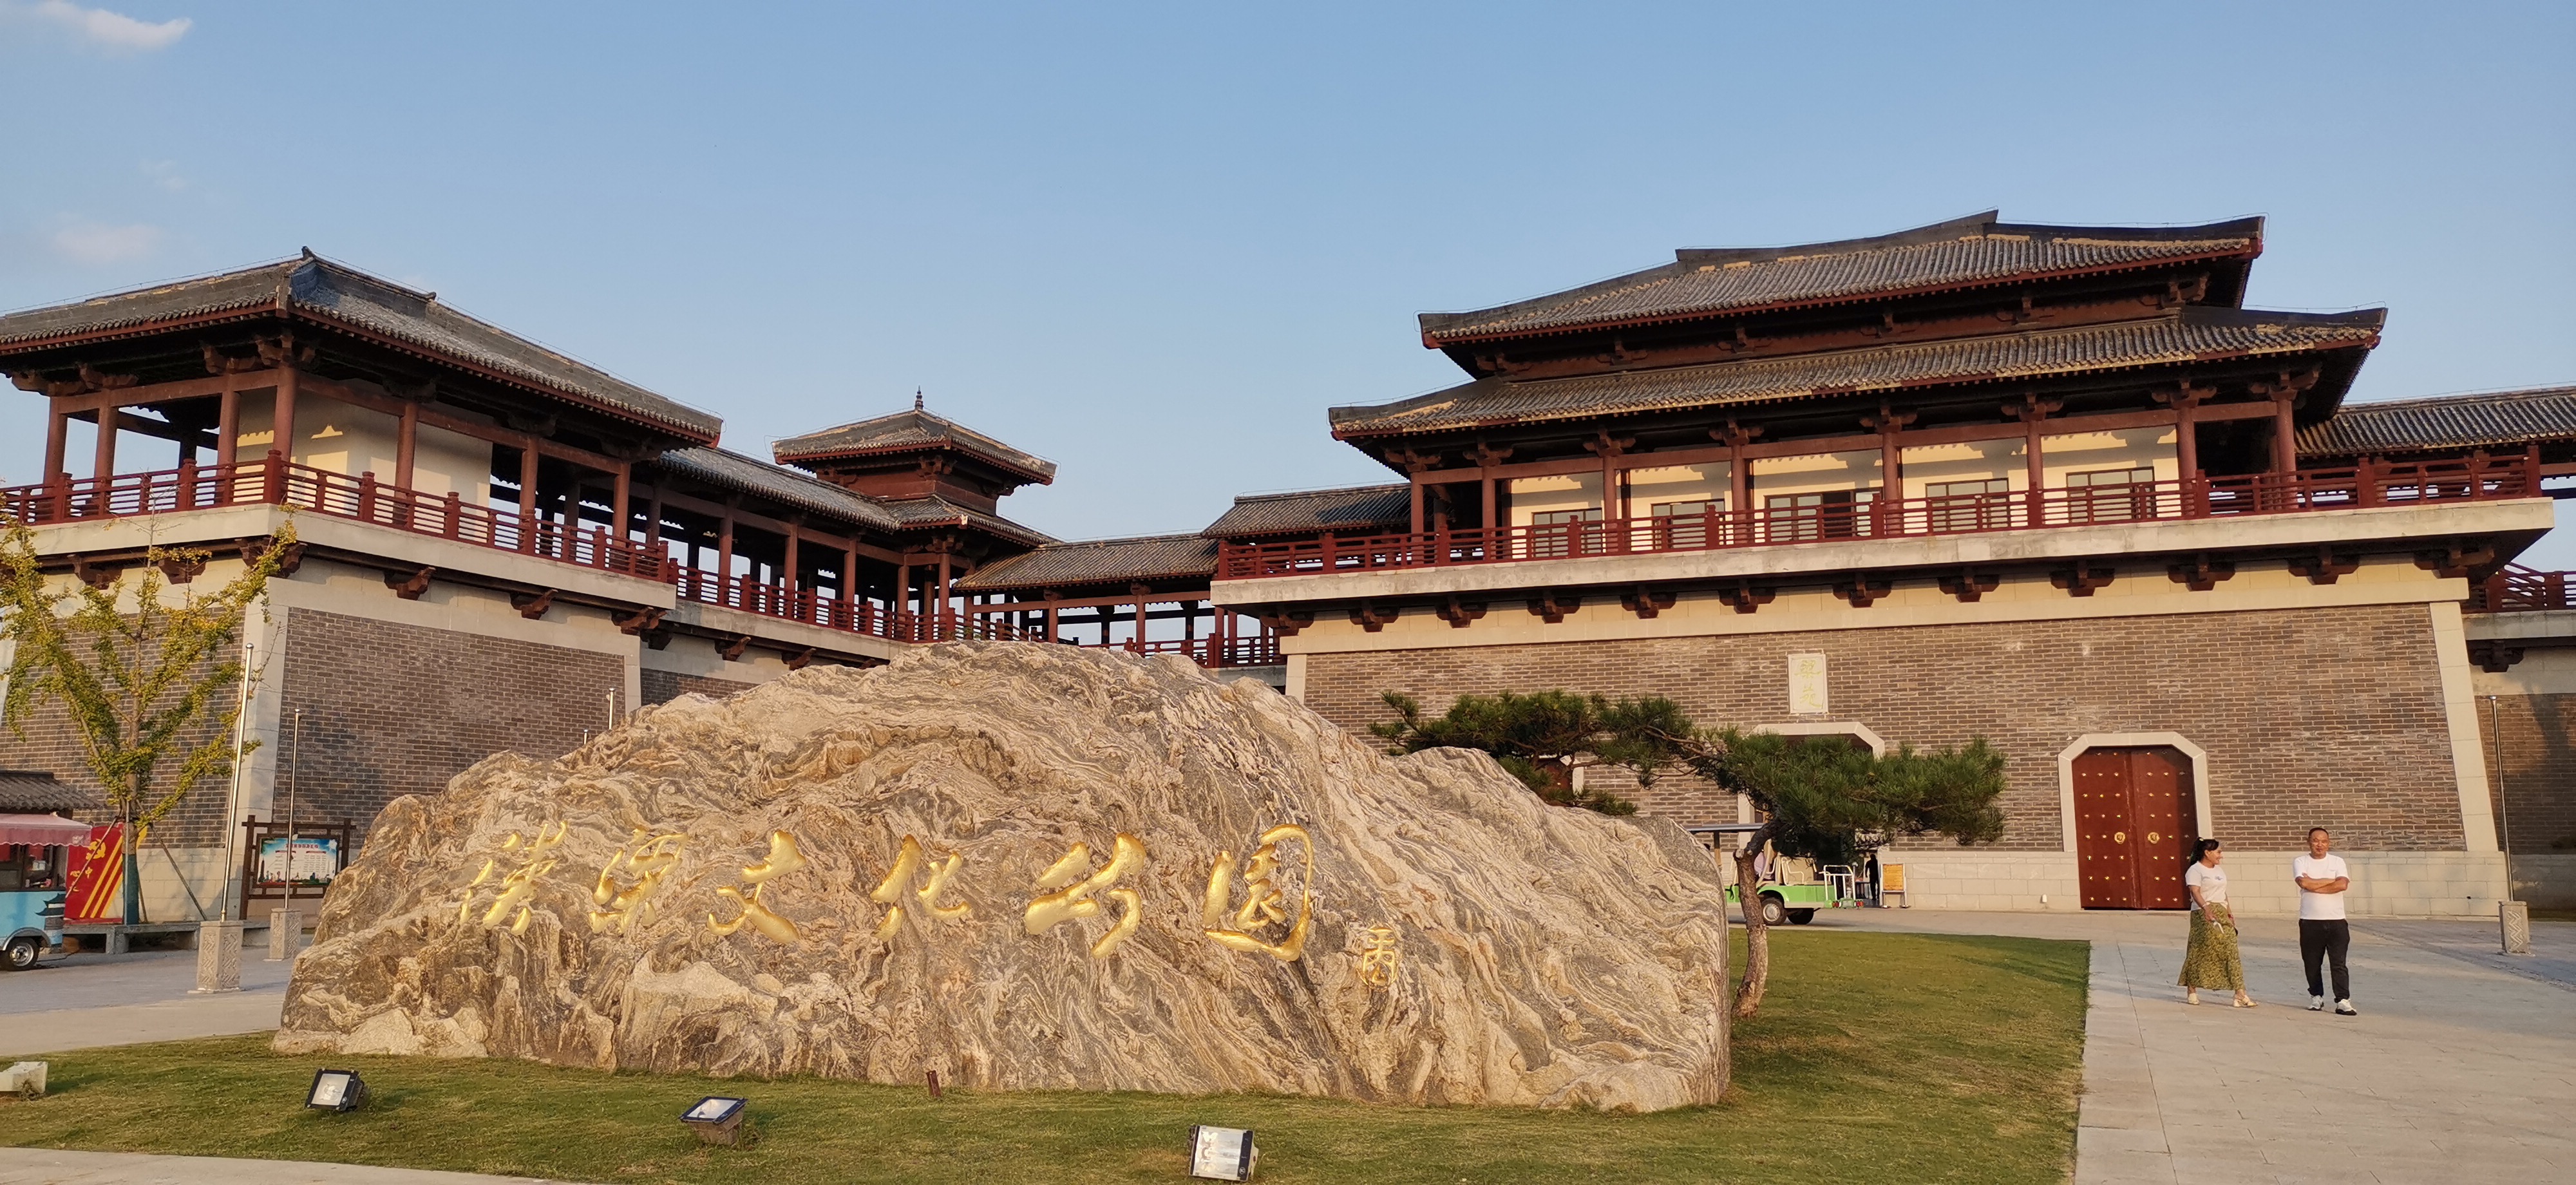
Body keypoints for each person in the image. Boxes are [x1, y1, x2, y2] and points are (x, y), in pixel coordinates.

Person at [2177, 839, 2254, 1007]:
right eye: (2218, 852)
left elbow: (2223, 893)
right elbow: (2195, 892)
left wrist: (2229, 913)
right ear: (2208, 853)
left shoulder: (2219, 870)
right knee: (2199, 951)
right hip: (2202, 914)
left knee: (2231, 950)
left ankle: (2240, 992)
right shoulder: (2195, 870)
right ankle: (2192, 989)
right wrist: (2206, 909)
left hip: (2221, 911)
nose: (2221, 856)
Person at [2293, 827, 2356, 1015]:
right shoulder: (2300, 861)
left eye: (2324, 841)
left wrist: (2315, 884)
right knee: (2312, 962)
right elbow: (2304, 883)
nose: (2320, 845)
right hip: (2310, 921)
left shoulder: (2337, 861)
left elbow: (2342, 885)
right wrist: (2329, 882)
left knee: (2338, 963)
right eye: (2315, 841)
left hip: (2336, 921)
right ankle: (2316, 997)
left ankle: (2343, 1000)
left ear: (2329, 843)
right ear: (2309, 842)